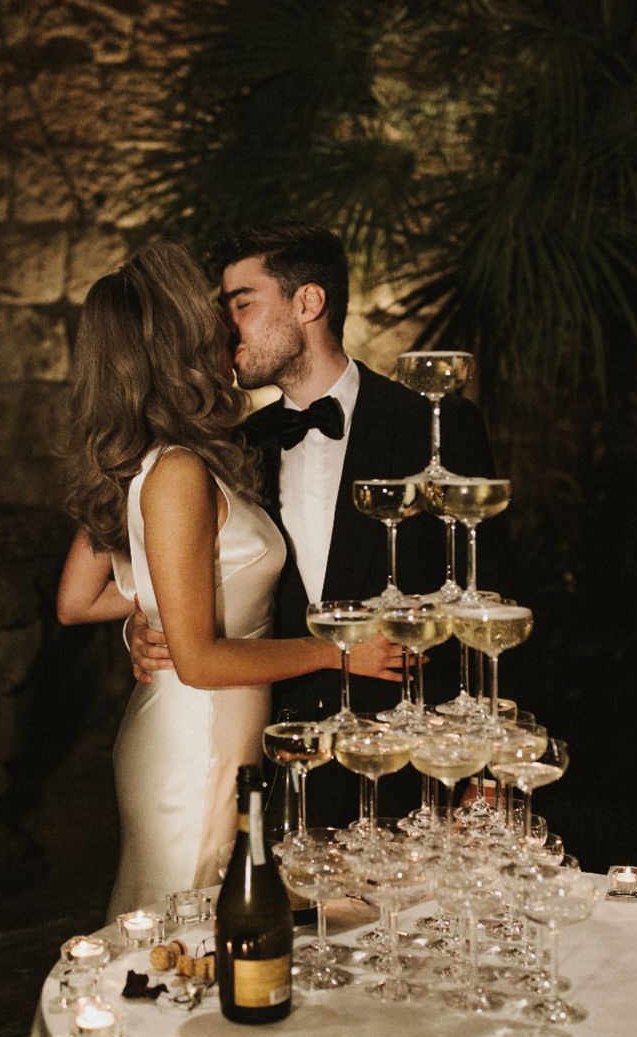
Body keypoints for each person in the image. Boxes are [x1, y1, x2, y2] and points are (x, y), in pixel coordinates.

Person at [56, 240, 400, 918]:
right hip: (197, 743)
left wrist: (147, 610)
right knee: (187, 936)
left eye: (237, 306)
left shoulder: (197, 454)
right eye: (218, 313)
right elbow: (199, 656)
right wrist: (341, 650)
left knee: (224, 931)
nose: (228, 326)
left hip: (240, 740)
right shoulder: (180, 468)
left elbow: (79, 599)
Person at [126, 224, 505, 826]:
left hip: (411, 761)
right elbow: (203, 571)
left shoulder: (436, 425)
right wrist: (142, 625)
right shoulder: (234, 448)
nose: (226, 328)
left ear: (308, 303)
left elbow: (487, 599)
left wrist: (488, 770)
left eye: (242, 304)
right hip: (275, 758)